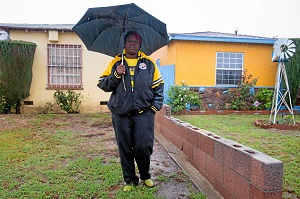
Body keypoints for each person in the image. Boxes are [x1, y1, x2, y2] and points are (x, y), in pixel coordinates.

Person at [97, 30, 164, 192]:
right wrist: (116, 74)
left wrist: (154, 108)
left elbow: (159, 87)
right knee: (125, 147)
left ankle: (145, 176)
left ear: (140, 44)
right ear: (124, 43)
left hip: (144, 114)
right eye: (129, 40)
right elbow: (103, 84)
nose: (132, 43)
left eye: (136, 41)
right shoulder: (116, 63)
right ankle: (129, 180)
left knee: (143, 146)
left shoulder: (148, 63)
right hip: (121, 114)